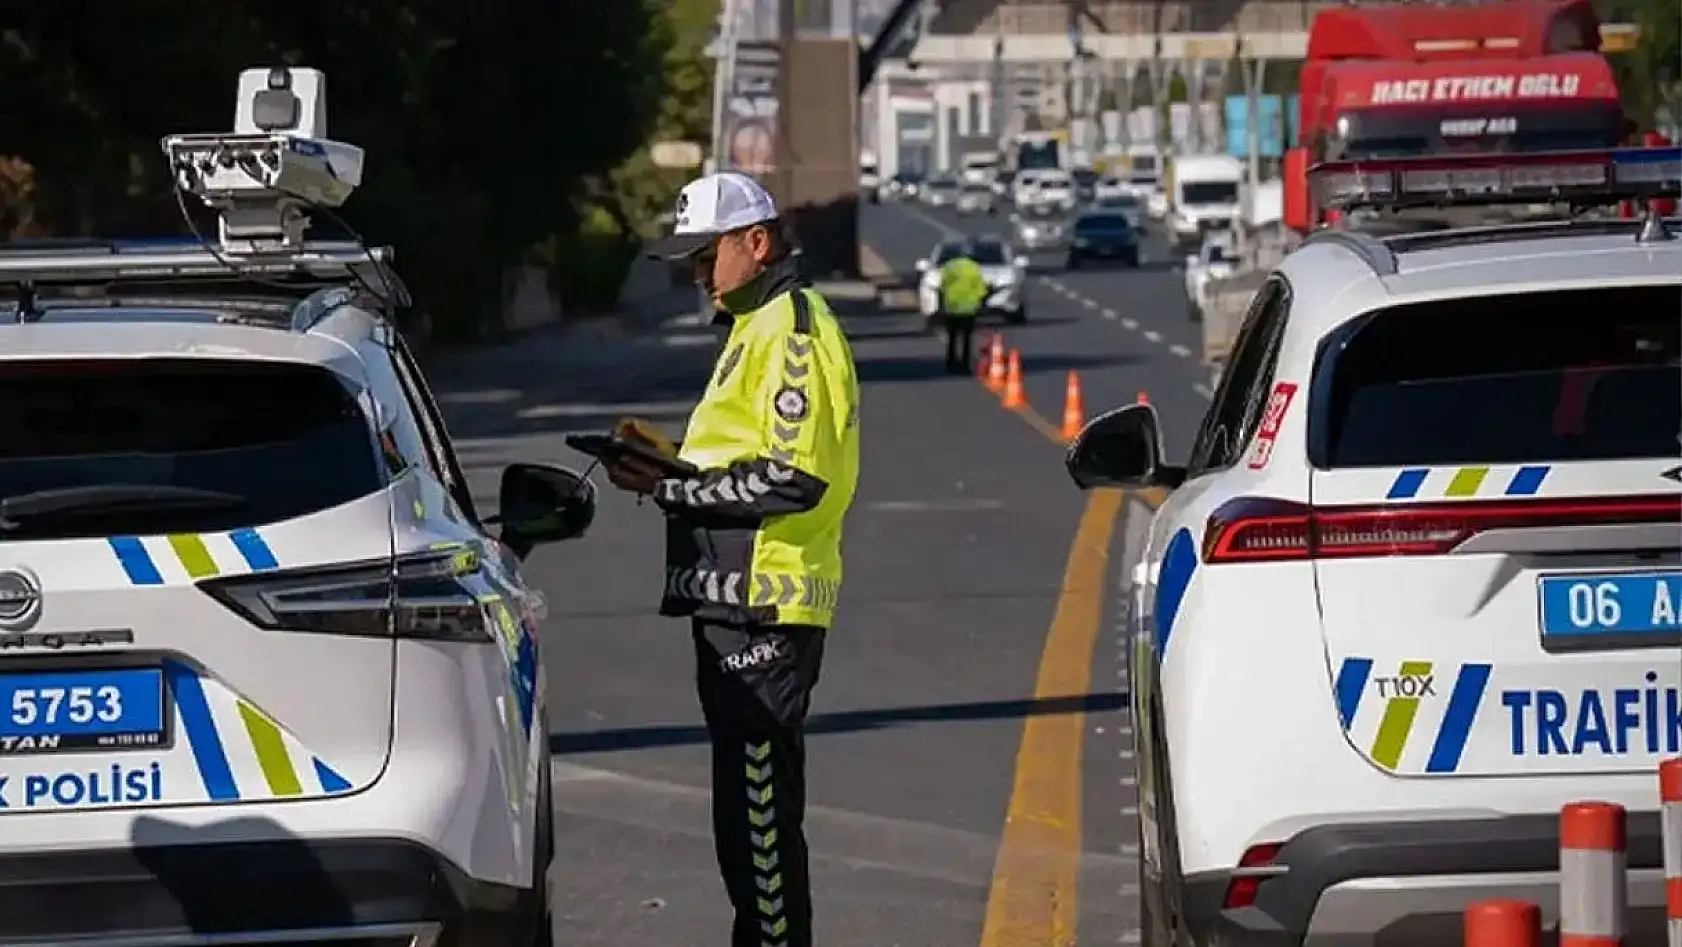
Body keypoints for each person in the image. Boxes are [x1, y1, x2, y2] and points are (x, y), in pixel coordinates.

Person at [604, 171, 860, 947]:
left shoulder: (791, 329)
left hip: (766, 610)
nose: (694, 274)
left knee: (762, 837)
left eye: (704, 255)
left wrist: (681, 489)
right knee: (742, 835)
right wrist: (667, 467)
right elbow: (743, 457)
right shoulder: (753, 325)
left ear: (757, 242)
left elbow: (793, 474)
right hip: (730, 604)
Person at [936, 247, 988, 374]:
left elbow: (942, 287)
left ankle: (951, 363)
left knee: (952, 337)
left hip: (951, 306)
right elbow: (981, 288)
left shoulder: (949, 267)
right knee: (966, 338)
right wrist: (981, 303)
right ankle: (964, 364)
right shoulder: (974, 267)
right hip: (969, 307)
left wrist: (941, 305)